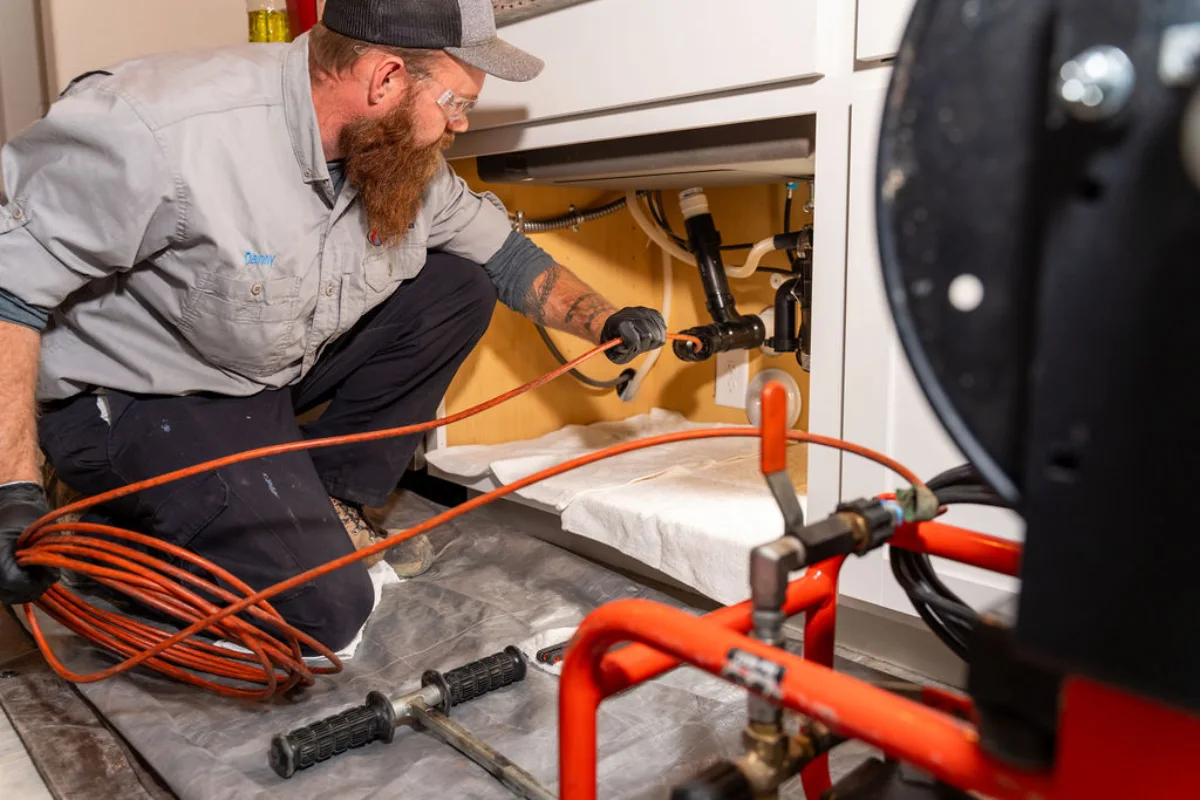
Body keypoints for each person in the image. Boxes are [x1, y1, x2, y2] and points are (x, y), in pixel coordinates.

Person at [0, 0, 667, 650]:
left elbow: (507, 259)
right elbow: (8, 288)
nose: (461, 124)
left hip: (254, 370)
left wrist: (608, 319)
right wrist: (11, 491)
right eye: (457, 103)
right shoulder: (162, 130)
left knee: (457, 286)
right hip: (137, 399)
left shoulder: (389, 153)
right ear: (384, 79)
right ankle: (105, 541)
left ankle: (324, 497)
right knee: (324, 613)